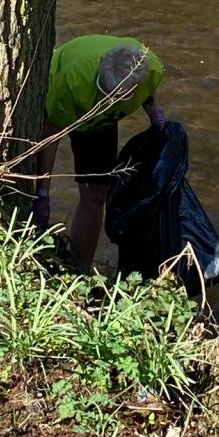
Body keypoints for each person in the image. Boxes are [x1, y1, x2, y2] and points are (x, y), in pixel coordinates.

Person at [34, 34, 166, 271]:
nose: (108, 101)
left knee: (96, 195)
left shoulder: (151, 67)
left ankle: (80, 268)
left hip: (100, 124)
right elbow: (50, 139)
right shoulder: (71, 82)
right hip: (70, 99)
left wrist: (156, 116)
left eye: (116, 98)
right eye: (106, 94)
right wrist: (42, 194)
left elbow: (148, 91)